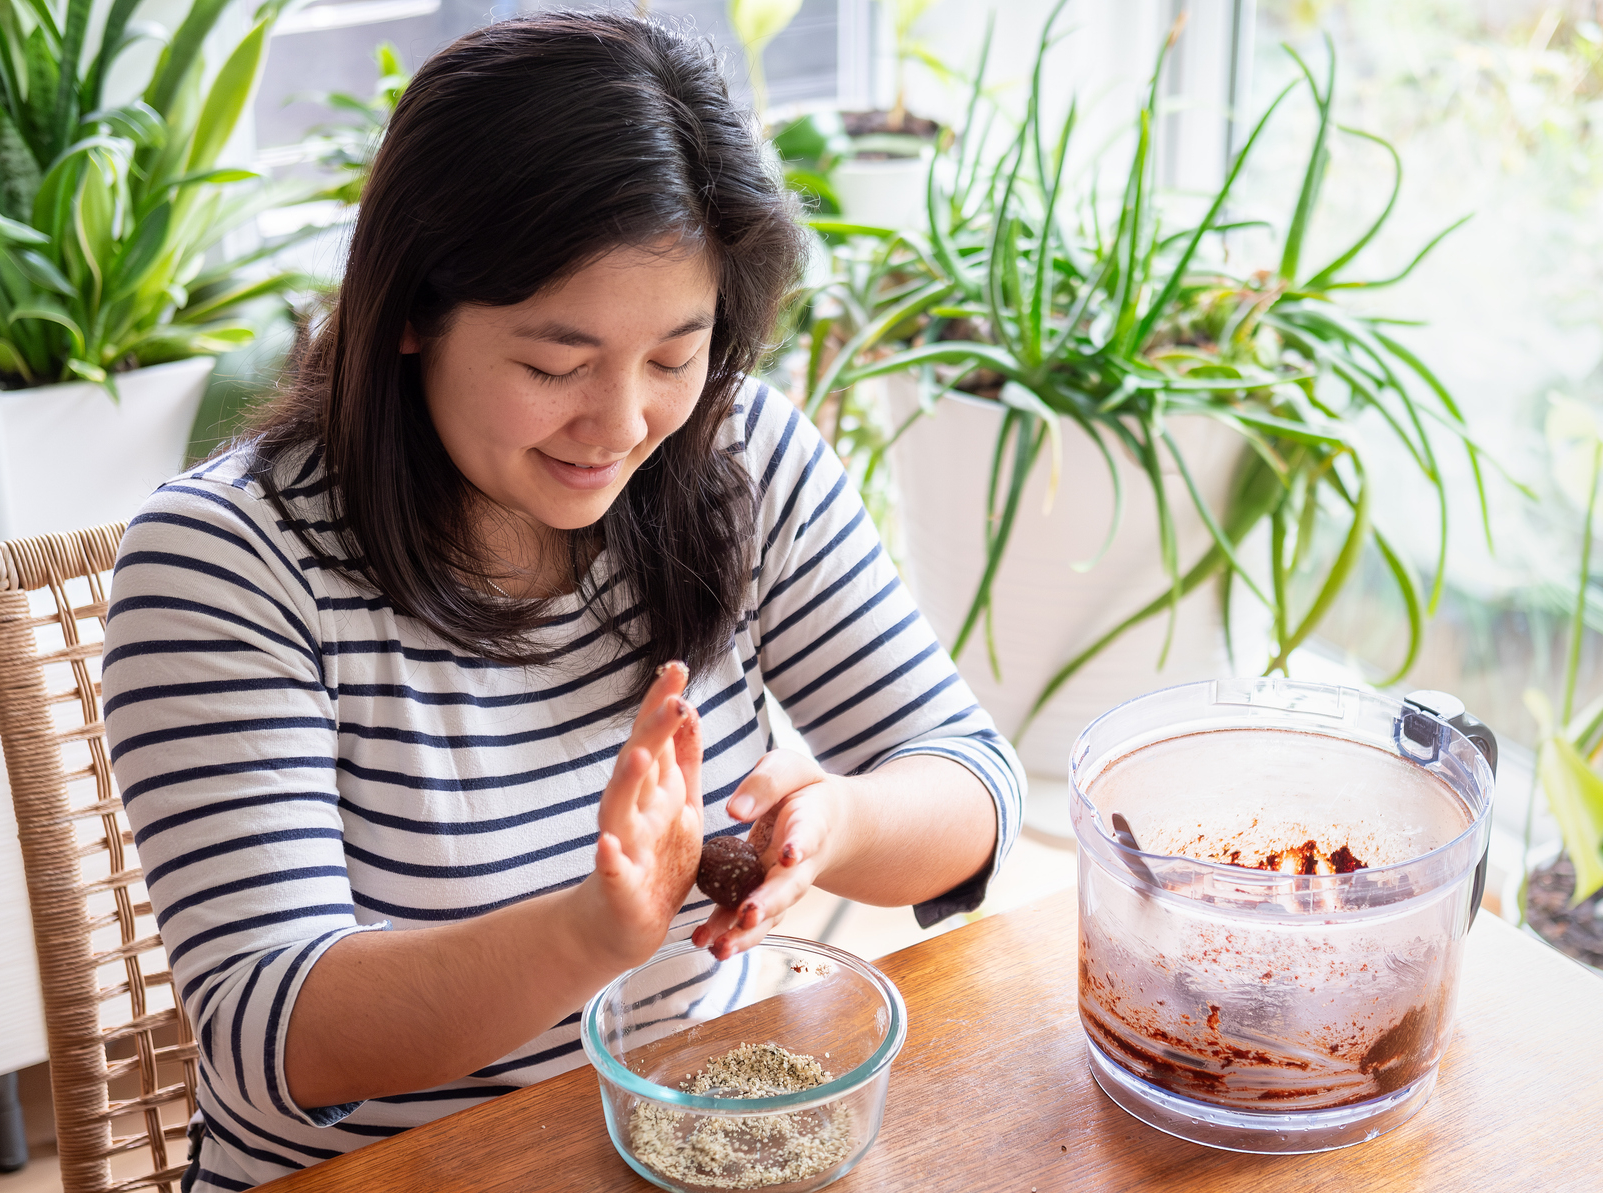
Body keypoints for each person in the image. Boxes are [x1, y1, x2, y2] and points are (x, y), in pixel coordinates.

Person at [101, 12, 1023, 1189]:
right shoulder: (226, 563)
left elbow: (972, 782)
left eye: (675, 354)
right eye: (553, 365)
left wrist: (838, 823)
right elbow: (273, 1029)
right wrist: (594, 928)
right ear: (412, 316)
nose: (623, 420)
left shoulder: (737, 454)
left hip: (683, 1138)